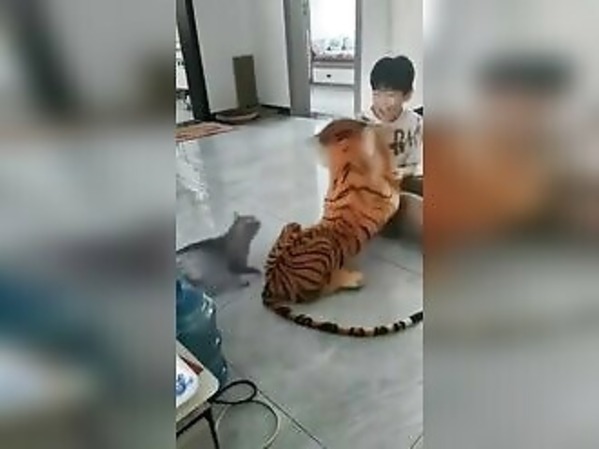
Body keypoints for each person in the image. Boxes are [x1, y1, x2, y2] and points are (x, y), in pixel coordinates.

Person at [361, 55, 423, 239]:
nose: (382, 103)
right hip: (374, 198)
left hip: (400, 181)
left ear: (407, 95)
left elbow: (413, 165)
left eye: (390, 95)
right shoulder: (361, 125)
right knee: (416, 209)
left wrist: (402, 173)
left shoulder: (414, 122)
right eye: (376, 94)